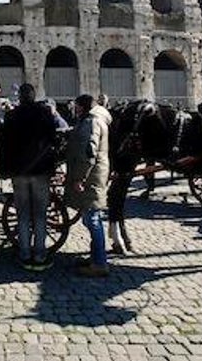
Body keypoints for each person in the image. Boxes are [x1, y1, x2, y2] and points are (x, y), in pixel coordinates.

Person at [0, 83, 58, 271]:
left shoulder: (11, 116)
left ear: (20, 97)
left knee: (23, 215)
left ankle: (24, 254)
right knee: (40, 216)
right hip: (40, 171)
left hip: (20, 172)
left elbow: (4, 146)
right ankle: (40, 255)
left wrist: (5, 170)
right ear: (33, 96)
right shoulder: (45, 114)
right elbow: (53, 140)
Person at [65, 94, 111, 278]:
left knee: (92, 219)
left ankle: (100, 263)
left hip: (91, 177)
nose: (74, 110)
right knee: (92, 217)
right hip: (94, 174)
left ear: (82, 107)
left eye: (76, 107)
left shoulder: (91, 123)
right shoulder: (93, 120)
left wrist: (79, 178)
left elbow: (88, 153)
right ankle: (95, 257)